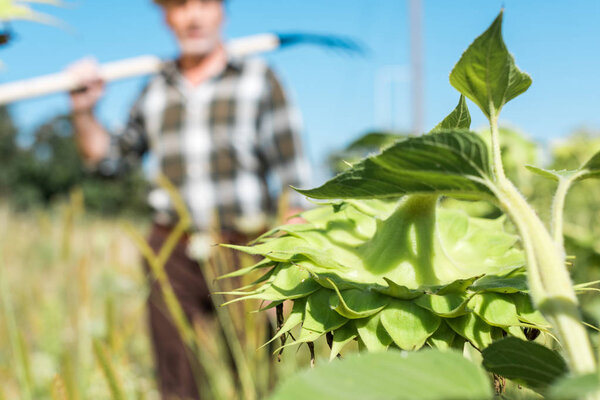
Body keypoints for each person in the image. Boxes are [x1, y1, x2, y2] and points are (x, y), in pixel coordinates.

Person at [67, 0, 311, 398]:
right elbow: (109, 161)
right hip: (172, 252)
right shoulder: (155, 87)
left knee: (254, 375)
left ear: (222, 12)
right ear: (165, 16)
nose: (193, 16)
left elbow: (294, 183)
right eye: (179, 5)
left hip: (244, 247)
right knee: (176, 378)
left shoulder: (260, 80)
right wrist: (83, 112)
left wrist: (283, 268)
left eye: (204, 3)